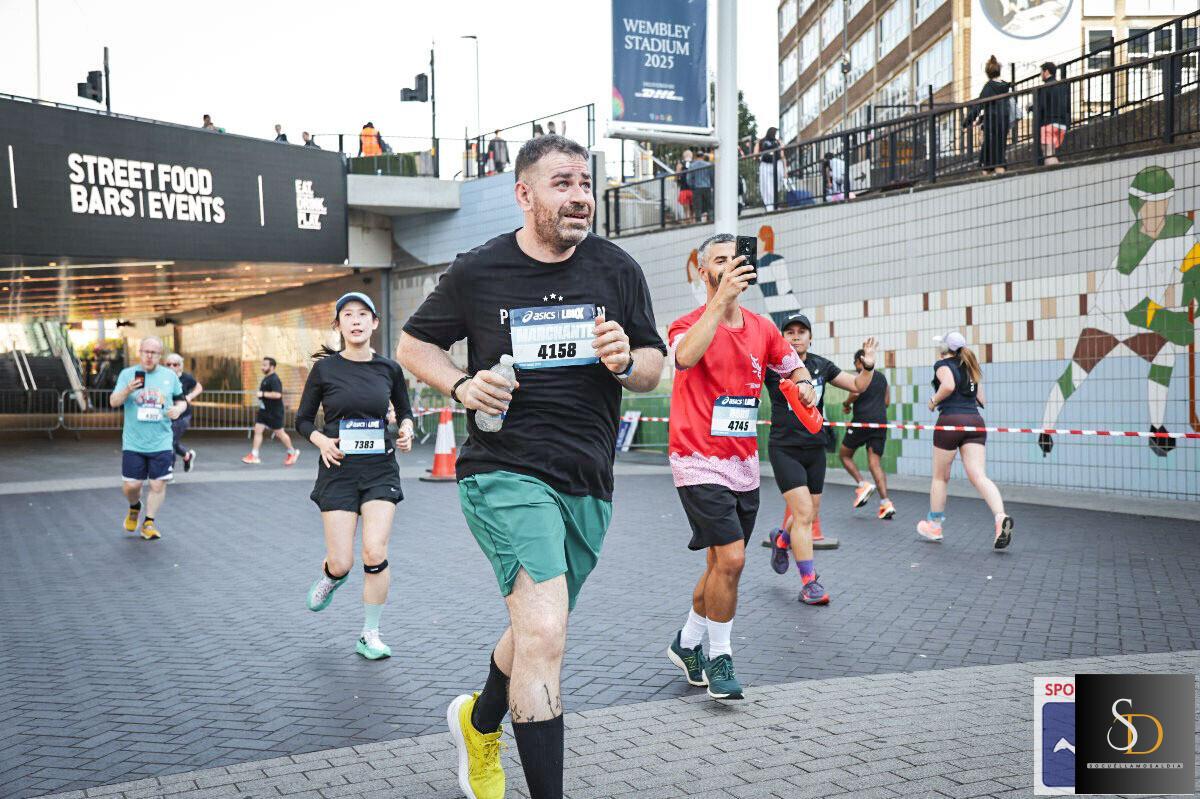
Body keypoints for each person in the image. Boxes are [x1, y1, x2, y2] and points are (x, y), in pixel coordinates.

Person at [397, 134, 666, 799]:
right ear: (524, 194)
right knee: (546, 629)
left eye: (585, 184)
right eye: (562, 183)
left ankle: (478, 721)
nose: (579, 197)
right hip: (504, 468)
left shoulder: (617, 269)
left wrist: (624, 360)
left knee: (535, 628)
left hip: (588, 481)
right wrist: (461, 385)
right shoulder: (479, 271)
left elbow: (655, 366)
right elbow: (412, 343)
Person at [664, 235, 816, 701]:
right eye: (720, 260)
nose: (731, 266)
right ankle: (720, 658)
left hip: (743, 461)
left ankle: (686, 642)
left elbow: (794, 368)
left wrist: (807, 386)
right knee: (732, 559)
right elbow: (685, 357)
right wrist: (721, 302)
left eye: (737, 259)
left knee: (718, 564)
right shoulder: (684, 324)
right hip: (695, 458)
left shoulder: (764, 329)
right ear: (703, 270)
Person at [298, 292, 414, 659]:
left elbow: (405, 411)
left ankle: (370, 633)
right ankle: (332, 576)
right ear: (338, 325)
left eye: (363, 314)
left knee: (375, 550)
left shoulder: (389, 369)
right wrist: (321, 441)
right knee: (344, 560)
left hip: (380, 468)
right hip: (338, 471)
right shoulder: (325, 370)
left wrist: (407, 429)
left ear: (374, 323)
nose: (356, 320)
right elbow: (302, 420)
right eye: (347, 314)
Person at [765, 314, 877, 604]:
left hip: (815, 447)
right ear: (782, 337)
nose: (796, 336)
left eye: (802, 331)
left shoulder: (821, 365)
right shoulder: (771, 367)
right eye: (789, 332)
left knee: (808, 514)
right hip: (784, 447)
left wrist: (869, 364)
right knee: (803, 512)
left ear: (810, 337)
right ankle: (809, 583)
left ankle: (781, 539)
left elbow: (858, 385)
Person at [919, 332, 1013, 549]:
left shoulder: (942, 365)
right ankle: (1000, 517)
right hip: (975, 422)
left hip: (951, 421)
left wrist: (933, 401)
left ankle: (934, 525)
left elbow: (949, 385)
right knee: (979, 476)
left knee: (940, 477)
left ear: (944, 349)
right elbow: (982, 399)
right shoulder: (971, 365)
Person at [109, 337, 187, 540]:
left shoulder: (169, 376)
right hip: (134, 442)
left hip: (161, 441)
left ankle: (149, 523)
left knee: (158, 484)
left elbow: (182, 401)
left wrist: (178, 409)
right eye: (146, 352)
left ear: (160, 355)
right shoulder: (127, 374)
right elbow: (113, 401)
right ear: (140, 352)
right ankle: (135, 506)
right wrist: (128, 390)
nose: (149, 356)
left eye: (154, 353)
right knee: (132, 486)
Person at [839, 348, 894, 519]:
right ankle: (886, 503)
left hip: (862, 421)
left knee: (844, 455)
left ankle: (863, 484)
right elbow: (886, 402)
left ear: (859, 361)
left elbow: (855, 391)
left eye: (855, 363)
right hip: (880, 422)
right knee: (874, 463)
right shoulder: (883, 378)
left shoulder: (861, 376)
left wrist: (846, 403)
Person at [242, 357, 300, 465]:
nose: (262, 367)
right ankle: (254, 455)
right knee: (258, 430)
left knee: (280, 433)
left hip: (274, 412)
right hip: (264, 411)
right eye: (262, 365)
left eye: (265, 365)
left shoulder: (274, 379)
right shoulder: (266, 378)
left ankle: (292, 452)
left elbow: (278, 394)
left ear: (272, 367)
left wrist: (262, 394)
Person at [964, 56, 1012, 175]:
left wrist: (967, 122)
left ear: (987, 73)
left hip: (992, 122)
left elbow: (978, 106)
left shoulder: (988, 87)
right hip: (1004, 121)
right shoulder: (1005, 87)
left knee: (988, 147)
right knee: (1000, 148)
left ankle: (987, 171)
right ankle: (998, 170)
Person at [165, 353, 203, 473]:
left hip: (183, 416)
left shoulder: (186, 378)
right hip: (168, 415)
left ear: (180, 366)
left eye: (175, 364)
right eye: (168, 364)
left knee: (169, 441)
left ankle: (168, 471)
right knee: (172, 442)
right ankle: (187, 456)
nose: (171, 367)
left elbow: (199, 387)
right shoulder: (163, 378)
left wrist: (190, 396)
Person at [1036, 61, 1070, 166]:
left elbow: (1041, 106)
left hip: (1049, 123)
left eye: (1041, 72)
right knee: (1052, 152)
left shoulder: (1045, 87)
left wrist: (1031, 108)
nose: (1041, 74)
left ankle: (1053, 176)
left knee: (1048, 153)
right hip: (1062, 124)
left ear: (1046, 72)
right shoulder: (1063, 86)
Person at [756, 128, 781, 211]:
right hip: (766, 164)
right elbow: (756, 153)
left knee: (775, 185)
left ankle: (774, 204)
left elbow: (781, 153)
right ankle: (770, 205)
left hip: (775, 164)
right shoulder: (762, 141)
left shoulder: (777, 141)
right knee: (767, 186)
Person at [688, 151, 714, 223]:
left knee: (697, 206)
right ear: (703, 156)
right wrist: (712, 185)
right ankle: (710, 219)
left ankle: (698, 221)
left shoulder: (692, 165)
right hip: (707, 187)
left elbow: (689, 178)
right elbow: (712, 176)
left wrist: (692, 186)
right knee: (709, 205)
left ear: (696, 157)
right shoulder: (708, 164)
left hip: (697, 188)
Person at [676, 149, 694, 220]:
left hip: (683, 188)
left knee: (686, 208)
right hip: (693, 189)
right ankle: (693, 220)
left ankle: (687, 218)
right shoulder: (694, 163)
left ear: (684, 156)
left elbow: (677, 175)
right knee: (693, 207)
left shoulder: (680, 164)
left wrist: (677, 181)